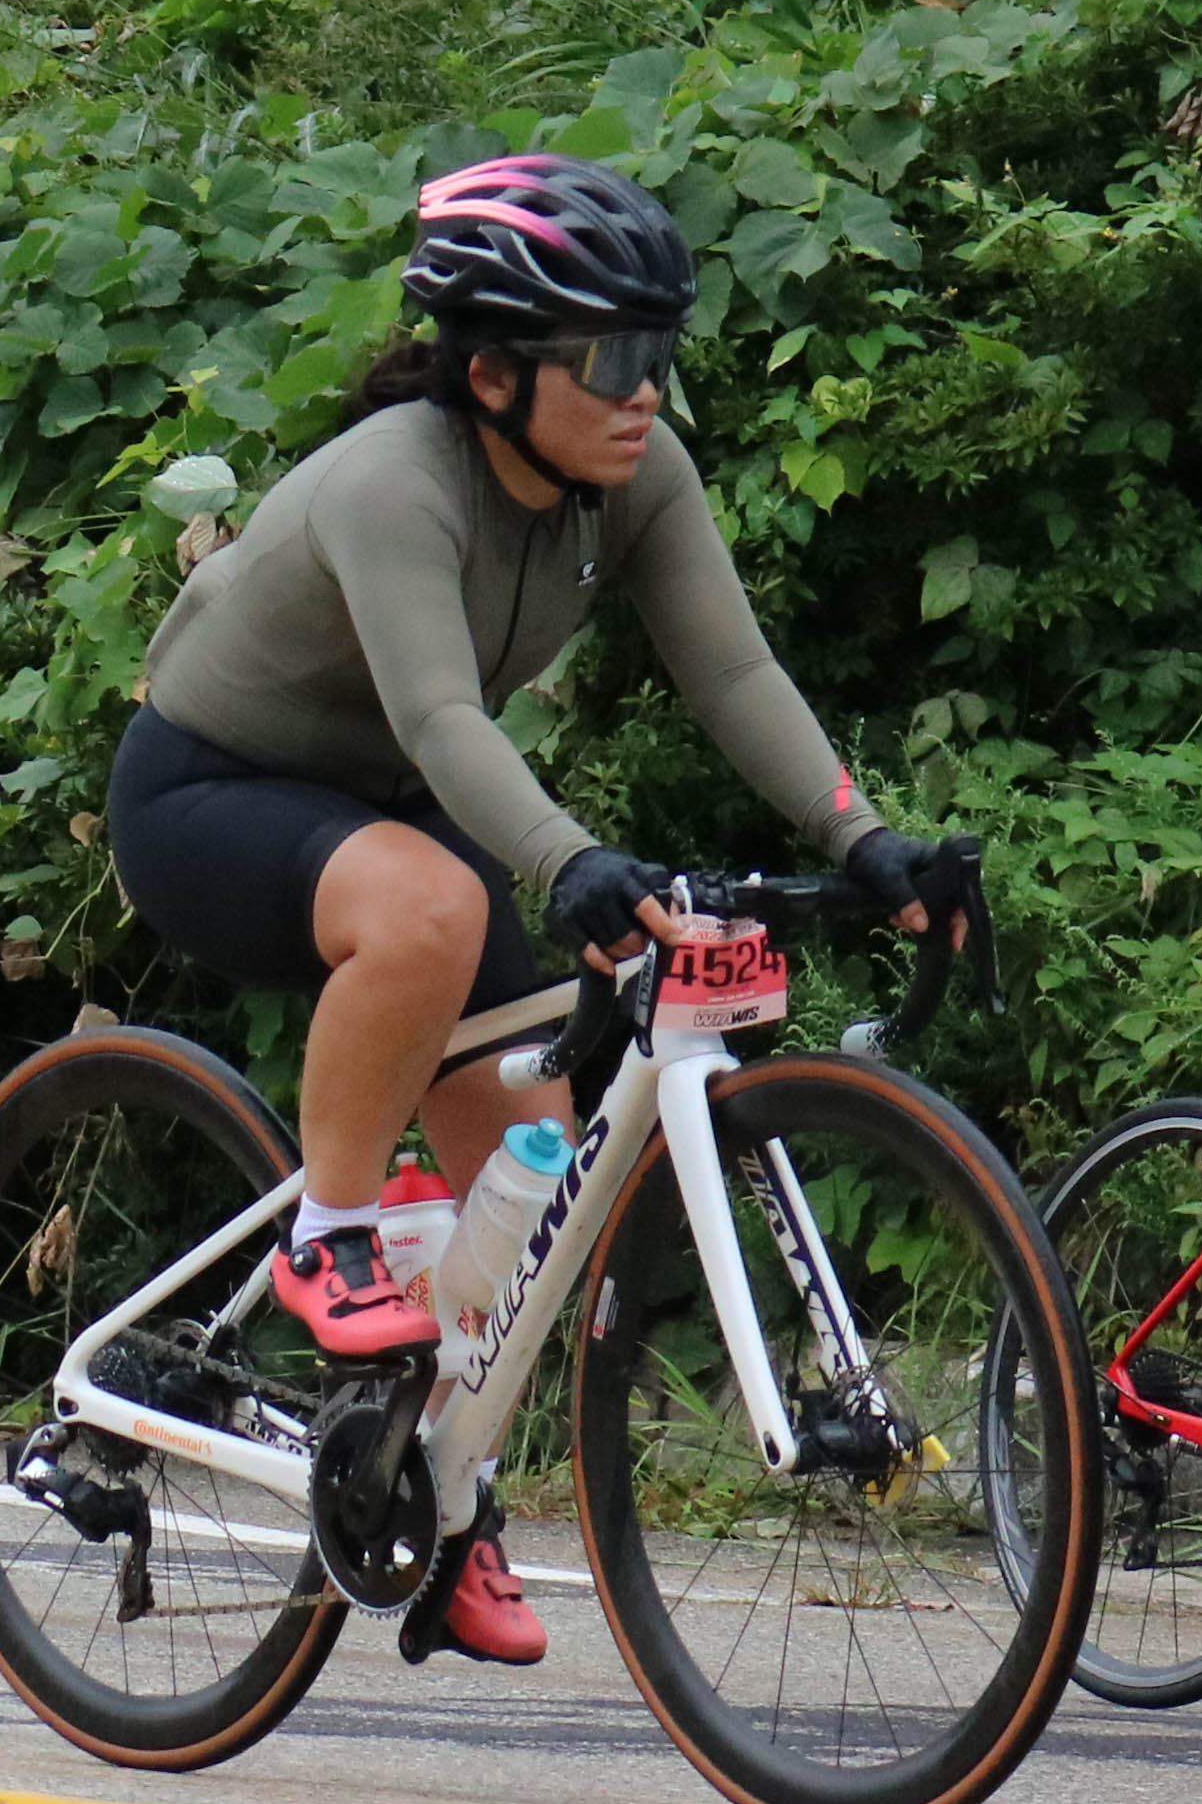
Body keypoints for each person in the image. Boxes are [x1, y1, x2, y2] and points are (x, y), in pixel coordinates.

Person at [108, 152, 940, 1669]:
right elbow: (441, 718)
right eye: (610, 359)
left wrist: (862, 834)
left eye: (659, 352)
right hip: (214, 789)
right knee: (435, 906)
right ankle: (328, 1233)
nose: (644, 391)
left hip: (400, 803)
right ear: (492, 375)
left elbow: (732, 670)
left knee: (532, 1192)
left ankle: (435, 1498)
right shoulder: (394, 483)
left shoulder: (636, 472)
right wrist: (568, 863)